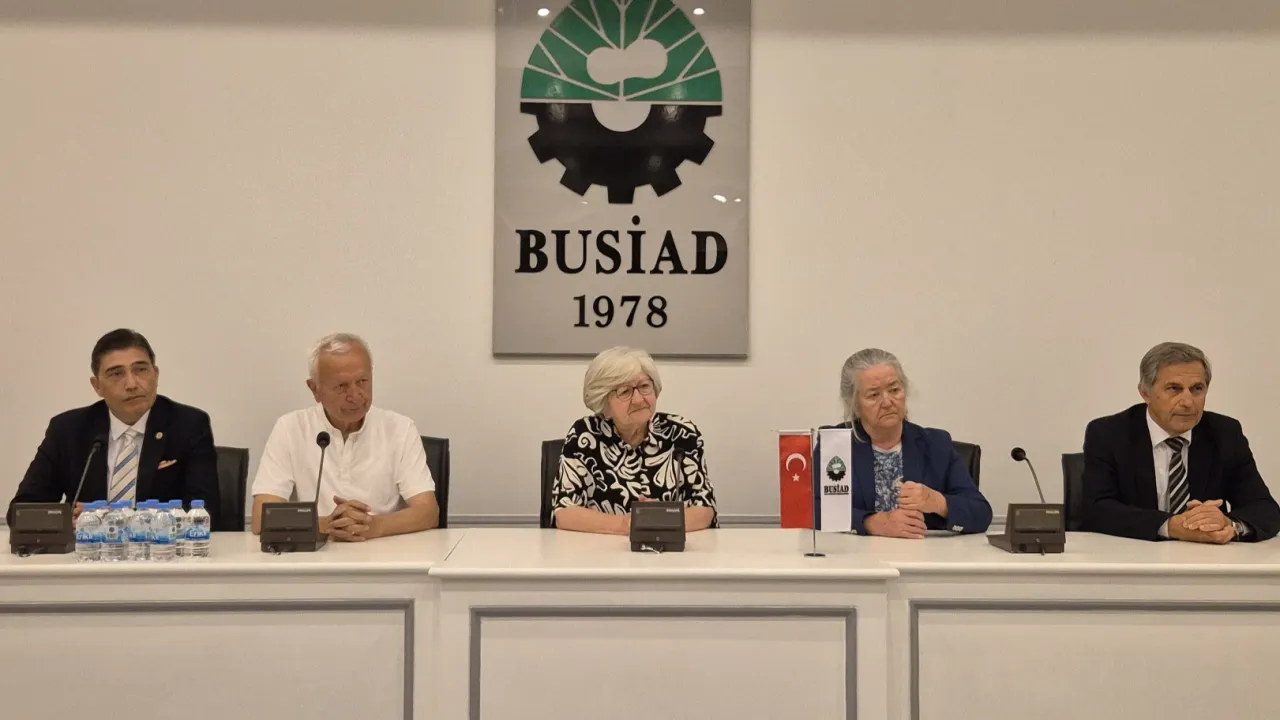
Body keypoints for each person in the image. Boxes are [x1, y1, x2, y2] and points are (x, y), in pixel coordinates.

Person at [7, 329, 220, 524]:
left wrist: (106, 519)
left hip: (160, 549)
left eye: (141, 370)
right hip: (87, 550)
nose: (132, 384)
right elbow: (21, 512)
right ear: (97, 386)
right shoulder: (68, 430)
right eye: (116, 374)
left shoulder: (189, 425)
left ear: (155, 374)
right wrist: (65, 521)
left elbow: (205, 510)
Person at [1081, 342, 1279, 543]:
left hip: (1207, 557)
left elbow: (1265, 508)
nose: (1188, 402)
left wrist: (1231, 525)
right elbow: (1096, 509)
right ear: (1145, 393)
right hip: (1133, 555)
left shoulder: (1225, 433)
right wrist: (1169, 526)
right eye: (1174, 389)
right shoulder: (1109, 433)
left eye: (1197, 389)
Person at [250, 333, 438, 541]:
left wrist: (374, 526)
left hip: (383, 551)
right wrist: (328, 524)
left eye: (362, 381)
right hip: (313, 555)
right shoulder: (290, 428)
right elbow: (261, 519)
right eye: (341, 386)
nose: (355, 395)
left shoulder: (400, 429)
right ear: (315, 390)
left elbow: (428, 512)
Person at [553, 346, 718, 535]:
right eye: (625, 392)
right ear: (603, 402)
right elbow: (565, 512)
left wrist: (660, 518)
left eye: (644, 386)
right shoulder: (584, 435)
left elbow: (705, 508)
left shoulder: (681, 433)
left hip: (670, 550)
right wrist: (631, 524)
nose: (639, 399)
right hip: (601, 549)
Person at [830, 348, 992, 539]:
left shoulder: (936, 445)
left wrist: (938, 502)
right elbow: (815, 509)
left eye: (894, 390)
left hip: (925, 553)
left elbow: (981, 513)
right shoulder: (835, 445)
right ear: (854, 405)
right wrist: (870, 523)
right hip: (857, 555)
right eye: (874, 395)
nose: (887, 402)